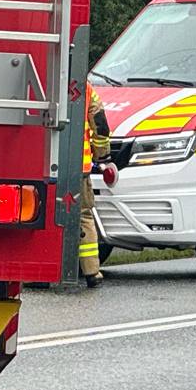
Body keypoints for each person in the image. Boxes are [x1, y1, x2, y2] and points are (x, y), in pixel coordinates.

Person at [77, 81, 112, 287]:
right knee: (83, 216)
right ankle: (91, 271)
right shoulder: (86, 88)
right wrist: (102, 156)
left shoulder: (42, 79)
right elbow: (100, 125)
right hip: (78, 168)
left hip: (44, 166)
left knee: (46, 215)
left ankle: (40, 275)